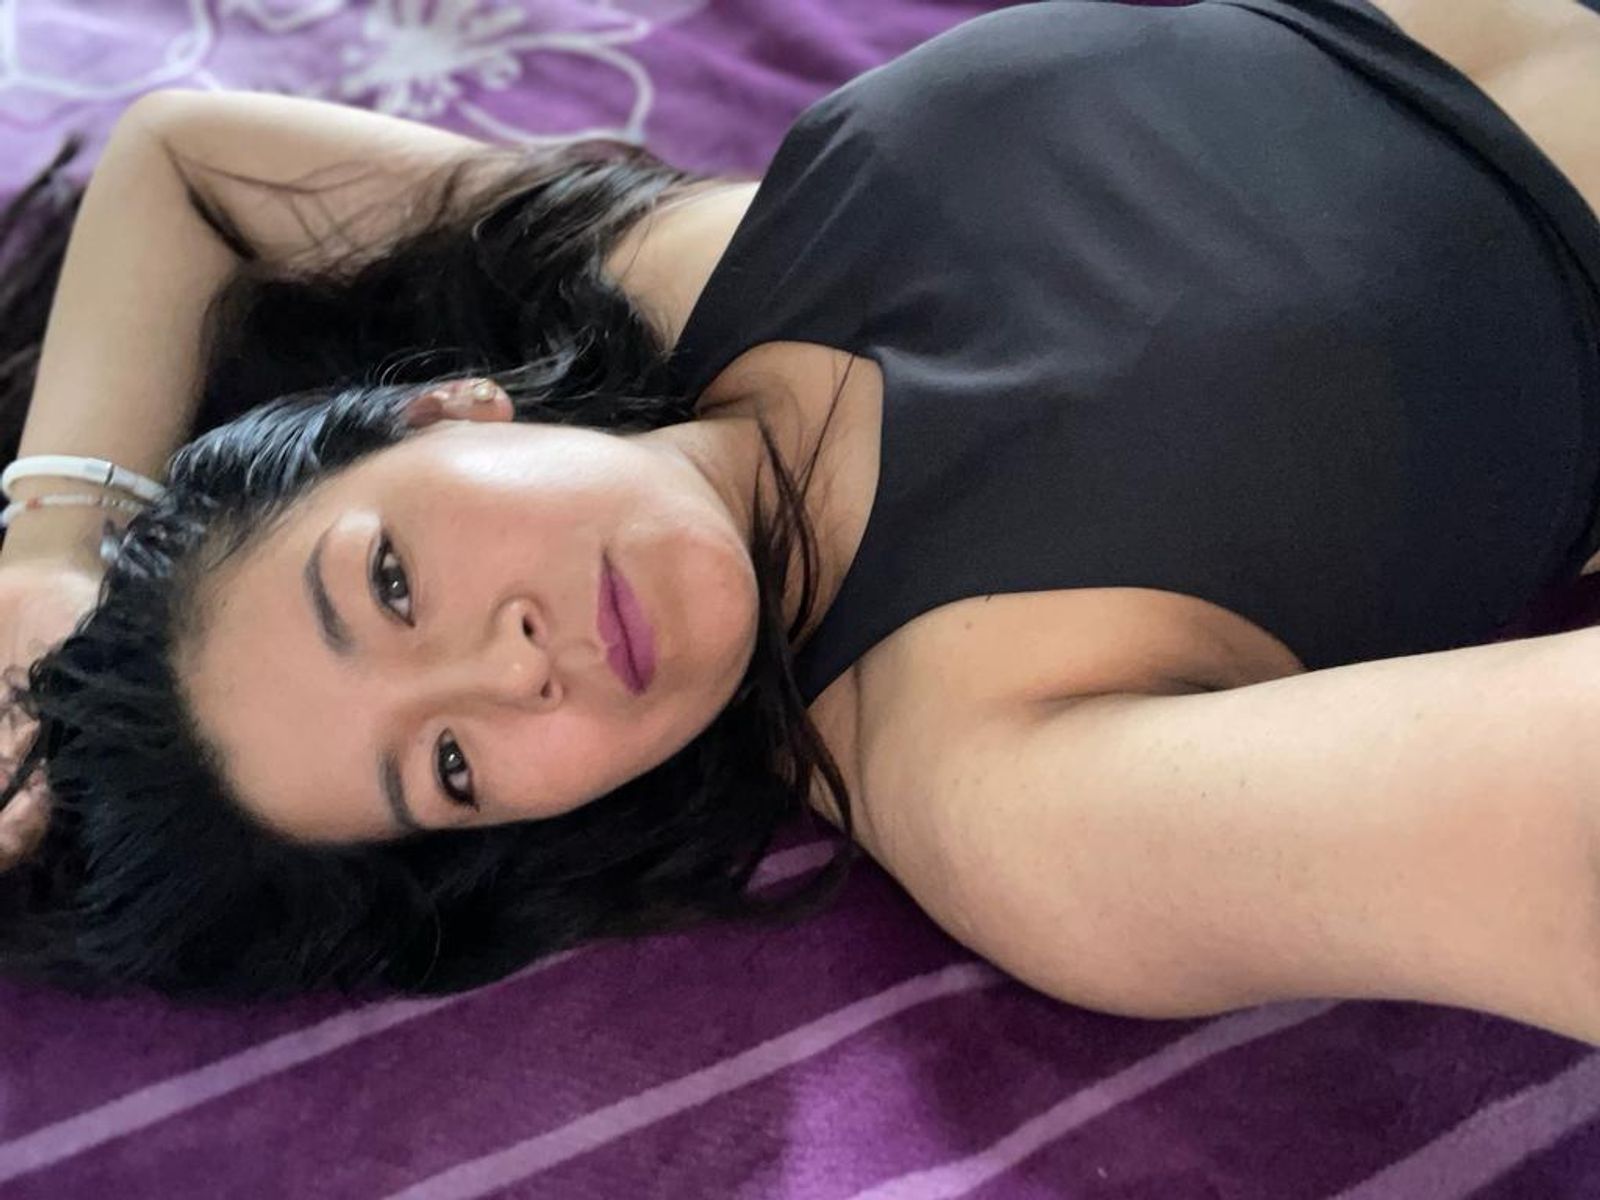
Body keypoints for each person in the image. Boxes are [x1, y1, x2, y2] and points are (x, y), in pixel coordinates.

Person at [4, 0, 1600, 1041]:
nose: (512, 669)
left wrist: (49, 561)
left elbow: (184, 164)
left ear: (441, 409)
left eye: (394, 584)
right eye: (452, 769)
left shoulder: (674, 263)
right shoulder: (1006, 799)